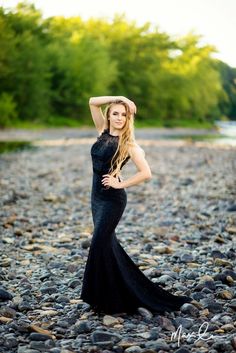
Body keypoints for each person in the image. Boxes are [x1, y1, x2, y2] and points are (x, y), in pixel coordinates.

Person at [80, 95, 192, 315]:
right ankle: (113, 295)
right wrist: (121, 98)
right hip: (96, 197)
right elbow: (93, 101)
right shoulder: (102, 131)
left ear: (128, 118)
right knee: (108, 246)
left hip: (113, 200)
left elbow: (146, 173)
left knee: (99, 243)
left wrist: (120, 184)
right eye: (115, 113)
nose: (119, 118)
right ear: (109, 116)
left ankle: (106, 299)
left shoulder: (129, 144)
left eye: (124, 114)